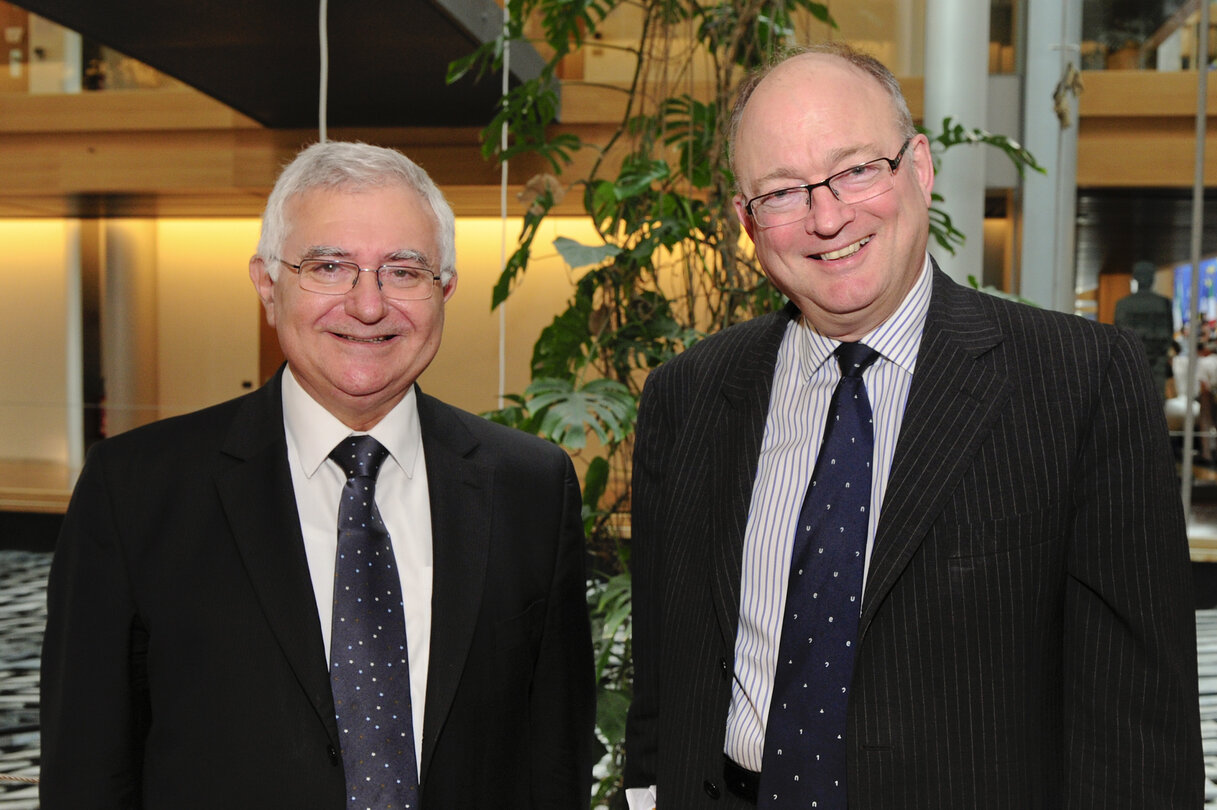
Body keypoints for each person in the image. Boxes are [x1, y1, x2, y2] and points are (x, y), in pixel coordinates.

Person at [623, 43, 1202, 809]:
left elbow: (1139, 720)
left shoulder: (1079, 384)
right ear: (747, 221)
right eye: (783, 193)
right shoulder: (685, 399)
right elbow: (663, 683)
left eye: (857, 169)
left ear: (919, 167)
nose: (827, 217)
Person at [40, 141, 595, 809]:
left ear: (444, 289)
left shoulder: (531, 487)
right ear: (268, 285)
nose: (368, 305)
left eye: (403, 270)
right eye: (329, 266)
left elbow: (553, 758)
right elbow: (87, 770)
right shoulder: (134, 490)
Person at [1113, 260, 1173, 402]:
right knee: (1155, 405)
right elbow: (1169, 335)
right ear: (1152, 278)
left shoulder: (1123, 304)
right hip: (1156, 363)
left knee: (1131, 403)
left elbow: (1118, 336)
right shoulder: (1163, 303)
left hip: (1130, 363)